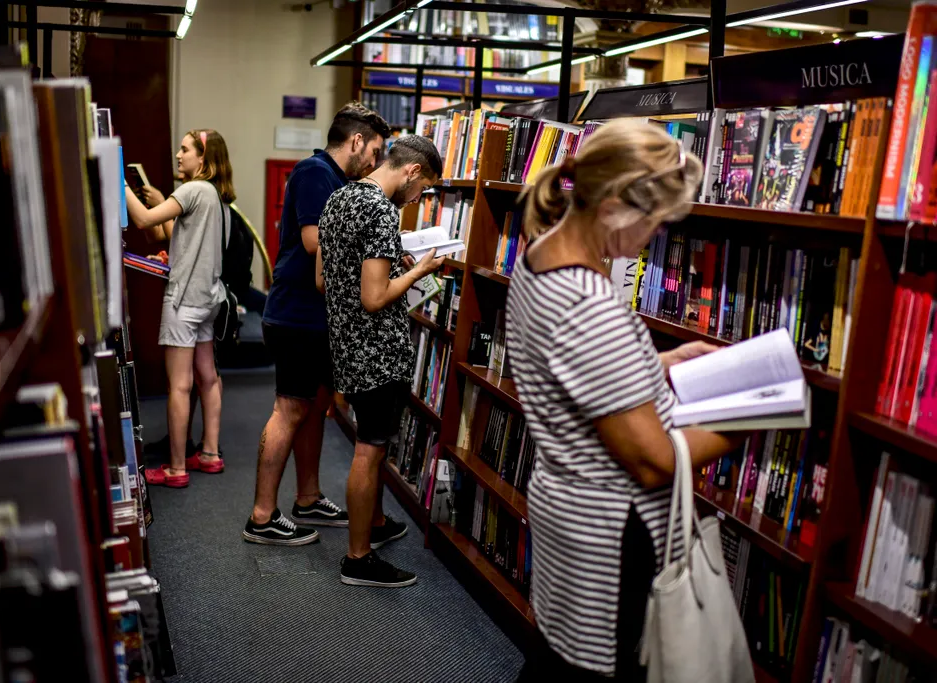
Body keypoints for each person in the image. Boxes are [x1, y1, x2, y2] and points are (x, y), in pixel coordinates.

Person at [505, 120, 747, 680]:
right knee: (599, 668)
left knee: (561, 657)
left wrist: (655, 363)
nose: (656, 230)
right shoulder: (589, 302)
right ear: (613, 203)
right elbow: (652, 460)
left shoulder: (539, 256)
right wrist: (755, 419)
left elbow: (565, 369)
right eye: (654, 216)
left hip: (569, 510)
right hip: (612, 532)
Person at [243, 103, 391, 545]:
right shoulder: (313, 172)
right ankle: (262, 516)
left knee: (314, 408)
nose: (376, 163)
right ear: (357, 141)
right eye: (376, 151)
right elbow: (314, 241)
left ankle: (307, 497)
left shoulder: (337, 180)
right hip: (296, 315)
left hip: (318, 318)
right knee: (289, 410)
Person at [316, 135, 445, 587]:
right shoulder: (380, 210)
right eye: (423, 189)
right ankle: (358, 558)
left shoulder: (338, 198)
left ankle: (371, 527)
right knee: (370, 452)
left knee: (366, 448)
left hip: (347, 345)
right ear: (411, 172)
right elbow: (374, 298)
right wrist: (417, 272)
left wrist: (387, 268)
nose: (419, 198)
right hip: (378, 350)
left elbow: (323, 280)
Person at [125, 129, 235, 488]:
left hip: (183, 301)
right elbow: (178, 238)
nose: (178, 154)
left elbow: (143, 220)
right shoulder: (219, 198)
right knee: (207, 377)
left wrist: (118, 182)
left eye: (185, 149)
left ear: (202, 159)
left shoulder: (191, 190)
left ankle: (175, 468)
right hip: (207, 301)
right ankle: (210, 453)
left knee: (179, 386)